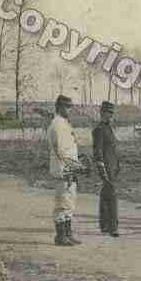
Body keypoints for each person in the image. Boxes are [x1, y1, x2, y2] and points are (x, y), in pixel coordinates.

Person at [47, 95, 85, 246]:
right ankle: (60, 236)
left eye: (70, 107)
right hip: (63, 169)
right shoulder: (57, 124)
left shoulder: (64, 123)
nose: (70, 109)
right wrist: (78, 166)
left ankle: (68, 234)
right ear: (59, 107)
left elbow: (69, 149)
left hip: (69, 168)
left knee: (69, 201)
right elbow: (62, 151)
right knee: (62, 202)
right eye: (67, 107)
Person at [92, 101, 121, 237]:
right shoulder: (99, 129)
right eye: (109, 112)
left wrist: (118, 165)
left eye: (112, 113)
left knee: (105, 195)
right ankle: (113, 227)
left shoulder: (109, 128)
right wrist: (102, 170)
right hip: (106, 167)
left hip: (113, 166)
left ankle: (104, 225)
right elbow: (97, 152)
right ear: (102, 113)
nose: (111, 115)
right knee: (112, 196)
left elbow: (113, 149)